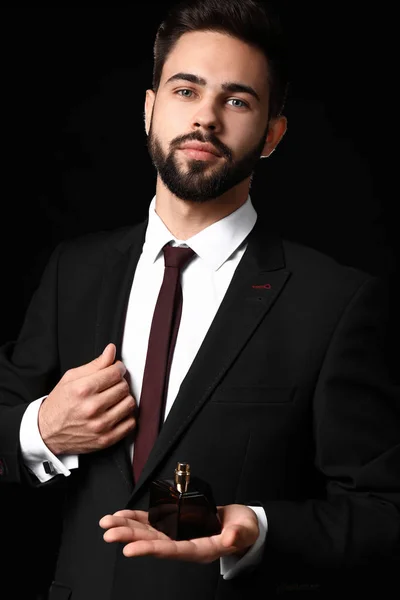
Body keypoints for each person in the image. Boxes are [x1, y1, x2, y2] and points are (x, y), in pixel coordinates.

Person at [0, 0, 399, 598]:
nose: (206, 118)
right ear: (149, 109)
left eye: (237, 100)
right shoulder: (73, 272)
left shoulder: (335, 303)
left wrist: (260, 529)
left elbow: (384, 510)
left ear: (272, 134)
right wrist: (43, 430)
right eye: (186, 90)